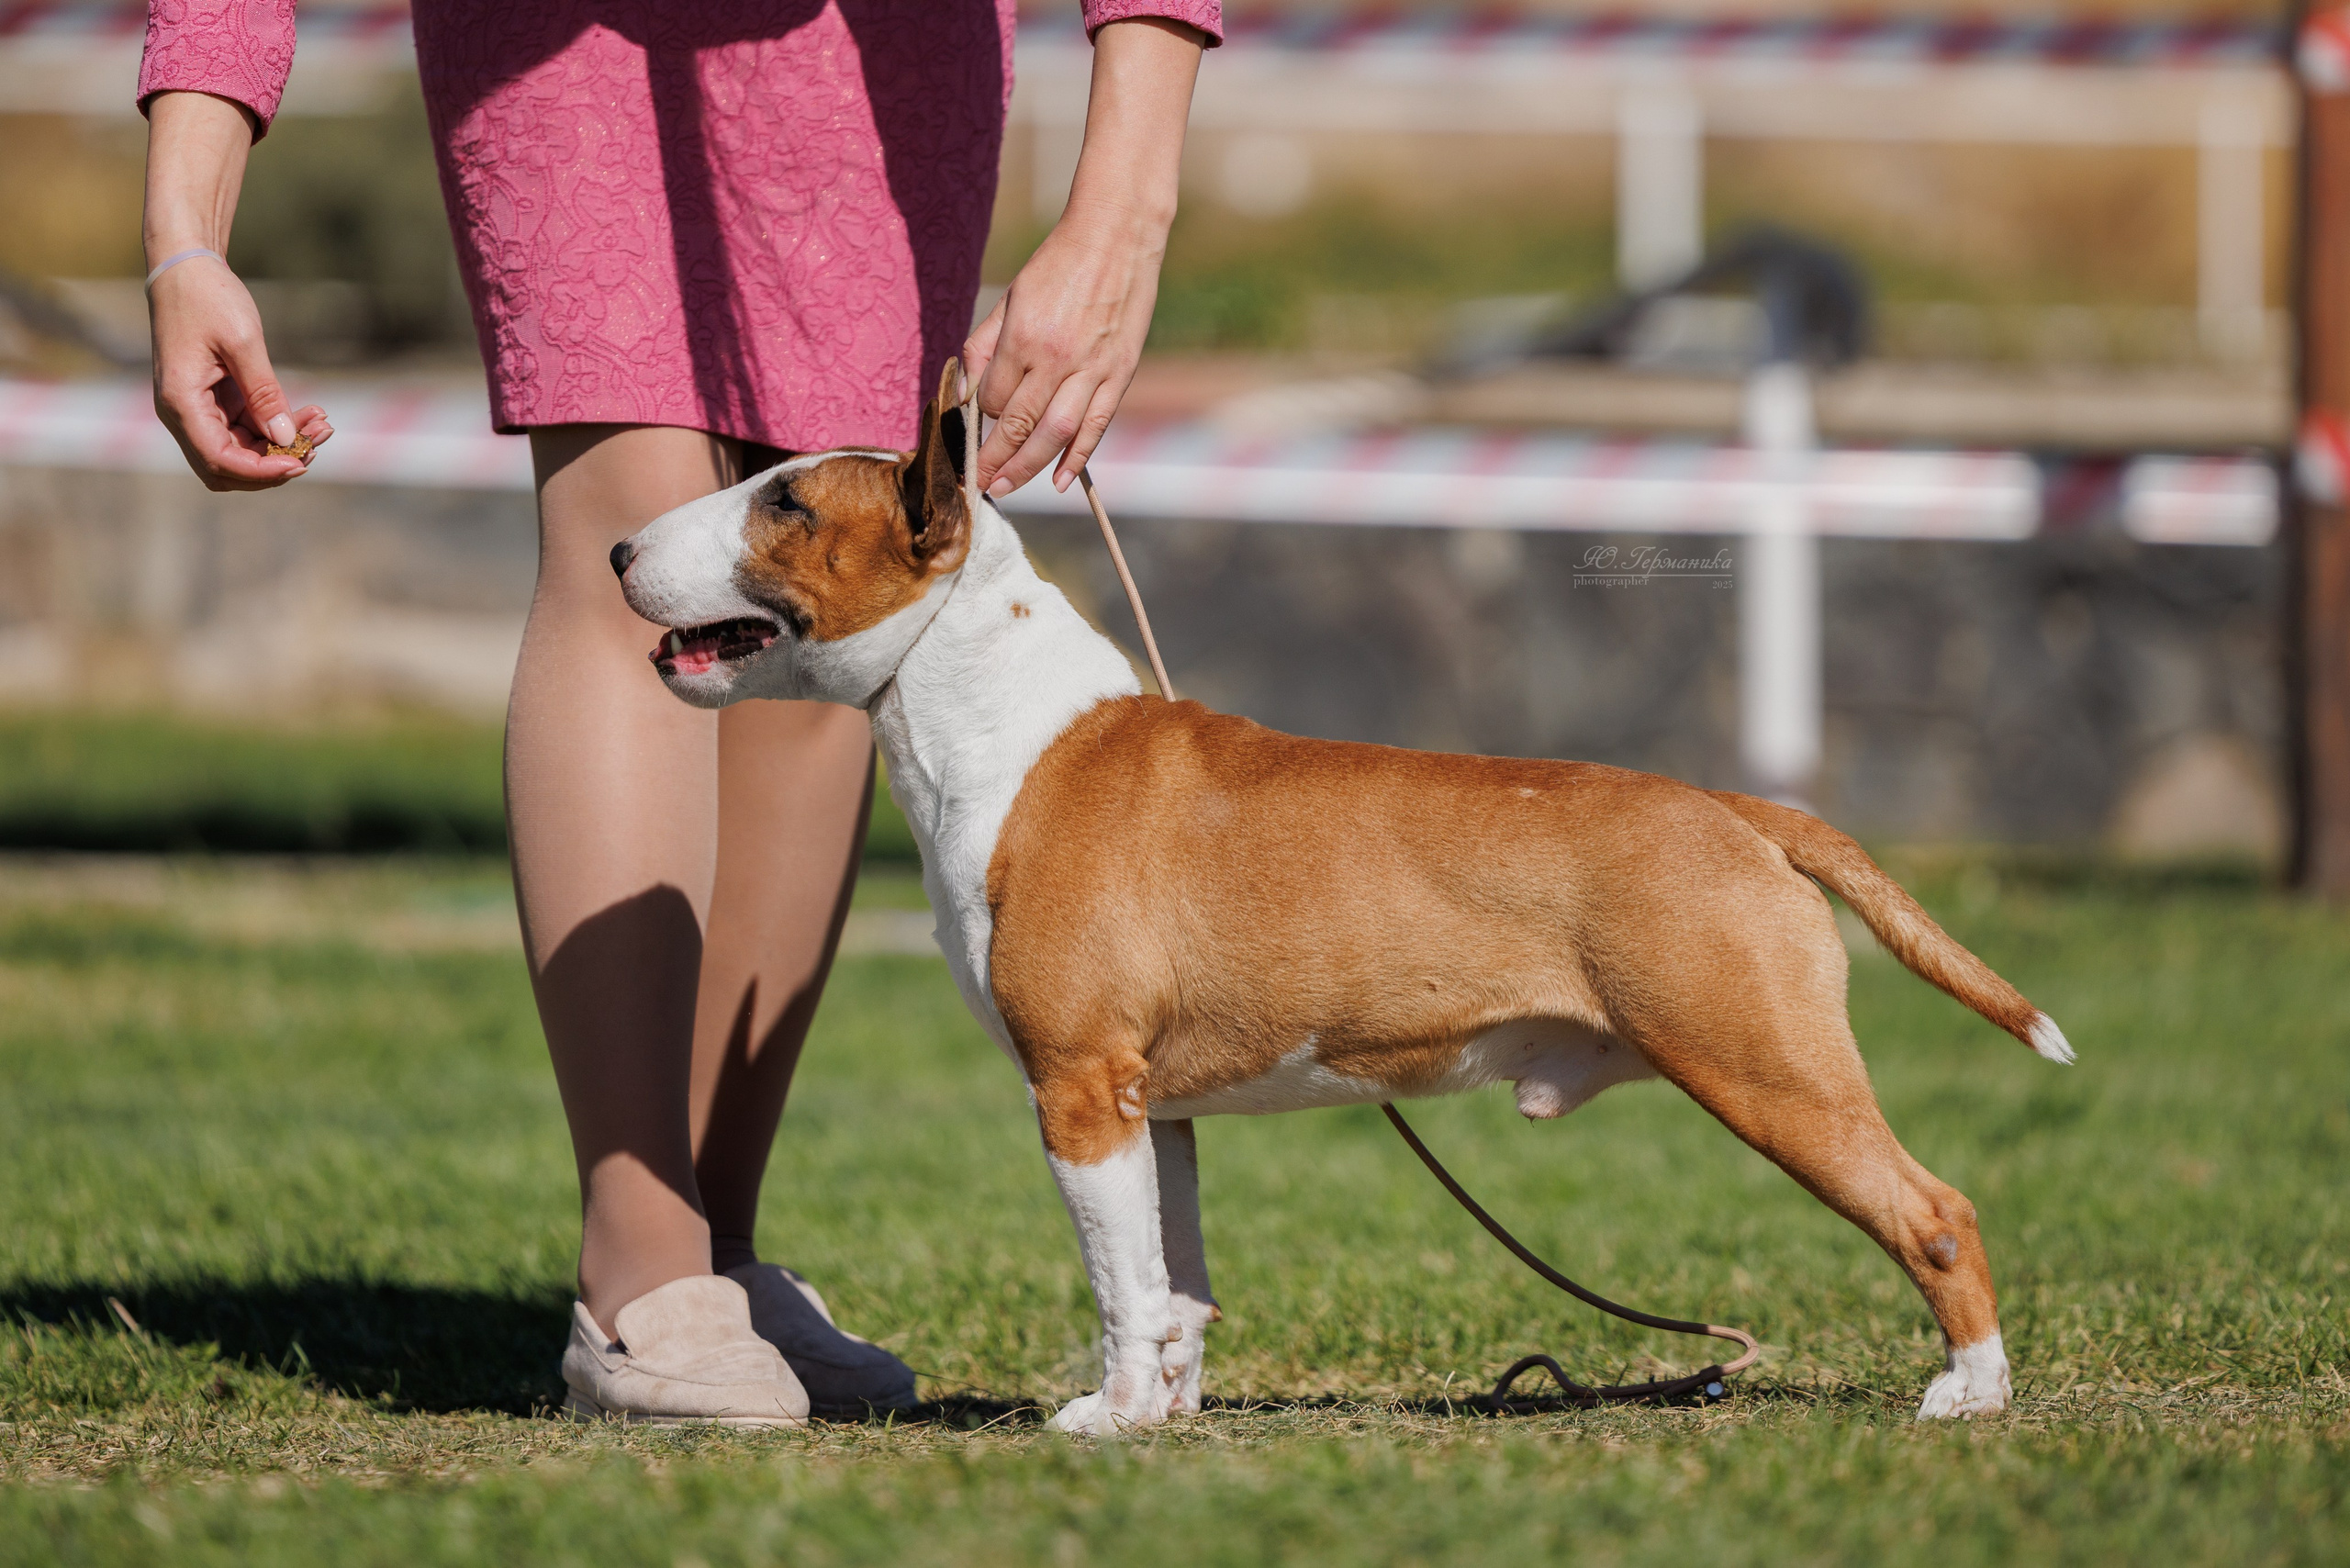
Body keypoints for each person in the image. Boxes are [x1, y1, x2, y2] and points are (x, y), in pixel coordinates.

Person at [139, 0, 1219, 1424]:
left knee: (823, 584)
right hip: (559, 36)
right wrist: (186, 235)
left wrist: (1126, 206)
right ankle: (642, 1266)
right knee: (634, 538)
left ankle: (718, 1241)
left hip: (883, 52)